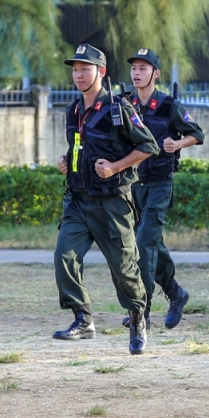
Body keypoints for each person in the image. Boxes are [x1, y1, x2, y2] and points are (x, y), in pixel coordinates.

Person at [54, 44, 158, 355]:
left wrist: (115, 166)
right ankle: (83, 319)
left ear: (101, 72)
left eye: (85, 69)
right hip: (78, 201)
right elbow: (80, 148)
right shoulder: (73, 110)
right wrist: (67, 160)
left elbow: (149, 146)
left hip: (112, 202)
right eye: (75, 69)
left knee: (124, 270)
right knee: (64, 257)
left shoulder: (119, 108)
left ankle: (137, 317)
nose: (78, 75)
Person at [124, 48, 204, 330]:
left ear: (156, 73)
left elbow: (198, 133)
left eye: (143, 68)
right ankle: (176, 293)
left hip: (159, 183)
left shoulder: (169, 106)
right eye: (134, 67)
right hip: (132, 185)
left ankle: (140, 310)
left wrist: (177, 144)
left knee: (144, 245)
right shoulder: (124, 104)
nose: (137, 72)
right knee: (152, 244)